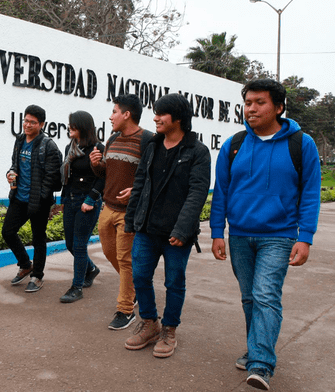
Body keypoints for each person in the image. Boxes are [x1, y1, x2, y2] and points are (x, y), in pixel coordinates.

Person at [210, 79, 321, 390]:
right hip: (240, 236)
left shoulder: (301, 143)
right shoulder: (234, 145)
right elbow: (221, 191)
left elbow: (310, 192)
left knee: (265, 296)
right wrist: (217, 231)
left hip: (280, 235)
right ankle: (255, 348)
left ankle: (261, 364)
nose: (251, 108)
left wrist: (306, 236)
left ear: (279, 107)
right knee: (250, 298)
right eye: (248, 102)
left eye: (260, 102)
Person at [124, 93, 210, 358]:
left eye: (161, 114)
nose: (155, 118)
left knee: (174, 282)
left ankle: (169, 329)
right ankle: (150, 323)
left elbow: (197, 193)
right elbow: (140, 183)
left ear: (179, 118)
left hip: (176, 234)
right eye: (155, 112)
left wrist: (183, 229)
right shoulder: (152, 145)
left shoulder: (197, 151)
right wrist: (131, 219)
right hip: (147, 229)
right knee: (139, 276)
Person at [90, 94, 152, 329]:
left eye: (115, 111)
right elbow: (106, 173)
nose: (110, 115)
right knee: (109, 252)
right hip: (107, 208)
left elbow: (154, 177)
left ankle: (126, 310)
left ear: (127, 114)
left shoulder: (148, 140)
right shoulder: (113, 138)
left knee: (125, 260)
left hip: (130, 212)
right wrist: (97, 164)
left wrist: (136, 189)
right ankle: (134, 289)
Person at [3, 104, 62, 293]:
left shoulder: (48, 146)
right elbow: (14, 164)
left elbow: (52, 177)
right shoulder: (20, 140)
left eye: (32, 122)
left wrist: (42, 197)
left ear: (41, 124)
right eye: (25, 120)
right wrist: (11, 173)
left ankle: (37, 276)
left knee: (38, 239)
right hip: (19, 198)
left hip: (39, 201)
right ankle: (25, 264)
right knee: (8, 232)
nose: (27, 125)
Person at [59, 111, 105, 303]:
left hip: (87, 202)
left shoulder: (98, 148)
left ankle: (77, 287)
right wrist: (63, 199)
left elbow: (103, 176)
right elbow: (67, 177)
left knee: (79, 245)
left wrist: (91, 199)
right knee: (70, 243)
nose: (70, 128)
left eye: (74, 125)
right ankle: (91, 269)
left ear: (83, 127)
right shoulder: (71, 147)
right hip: (70, 200)